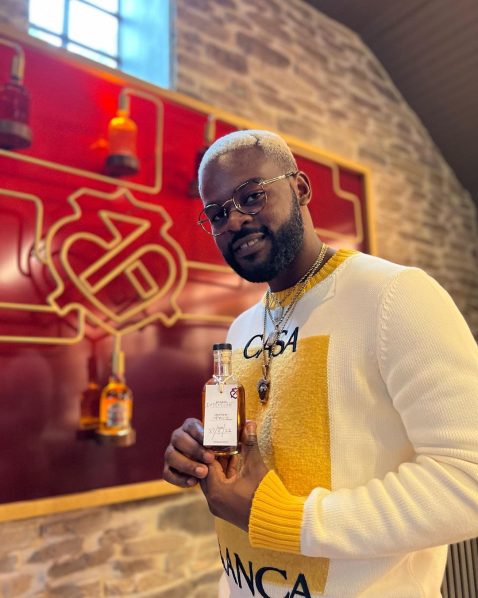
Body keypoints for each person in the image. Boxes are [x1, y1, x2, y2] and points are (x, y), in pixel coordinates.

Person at [163, 130, 478, 598]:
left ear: (301, 188)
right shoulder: (242, 328)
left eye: (251, 196)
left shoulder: (394, 296)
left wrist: (285, 519)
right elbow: (253, 474)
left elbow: (468, 481)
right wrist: (203, 456)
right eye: (218, 213)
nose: (235, 220)